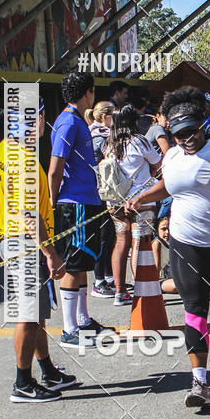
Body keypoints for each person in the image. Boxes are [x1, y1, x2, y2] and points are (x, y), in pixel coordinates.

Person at [127, 86, 210, 407]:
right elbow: (169, 185)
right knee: (194, 309)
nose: (186, 139)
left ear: (202, 126)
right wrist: (141, 198)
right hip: (185, 244)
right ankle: (200, 383)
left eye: (191, 132)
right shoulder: (172, 156)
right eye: (179, 135)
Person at [0, 98, 76, 402]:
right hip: (24, 242)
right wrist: (51, 254)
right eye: (41, 116)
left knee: (36, 313)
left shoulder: (2, 152)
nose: (43, 123)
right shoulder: (21, 159)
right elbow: (29, 215)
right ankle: (22, 383)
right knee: (28, 314)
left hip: (13, 239)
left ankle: (47, 370)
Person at [48, 71, 109, 350]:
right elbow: (55, 167)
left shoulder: (75, 120)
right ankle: (69, 328)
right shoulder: (68, 122)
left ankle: (82, 320)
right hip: (75, 203)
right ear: (88, 92)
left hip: (85, 200)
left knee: (83, 261)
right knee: (73, 263)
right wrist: (53, 201)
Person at [106, 105, 161, 305]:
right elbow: (159, 165)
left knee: (121, 242)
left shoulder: (109, 145)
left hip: (115, 202)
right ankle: (142, 291)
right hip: (141, 201)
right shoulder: (139, 141)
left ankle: (120, 291)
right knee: (140, 243)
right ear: (134, 121)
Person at [89, 101, 116, 299]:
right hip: (100, 192)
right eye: (113, 115)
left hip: (105, 191)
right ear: (104, 117)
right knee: (103, 237)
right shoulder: (98, 137)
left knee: (109, 236)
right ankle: (99, 281)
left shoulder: (104, 134)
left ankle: (109, 276)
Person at [152, 214, 177, 295]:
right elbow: (156, 267)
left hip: (171, 277)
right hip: (159, 280)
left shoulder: (172, 242)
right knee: (176, 286)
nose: (167, 232)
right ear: (156, 231)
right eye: (163, 229)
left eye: (170, 229)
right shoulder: (157, 243)